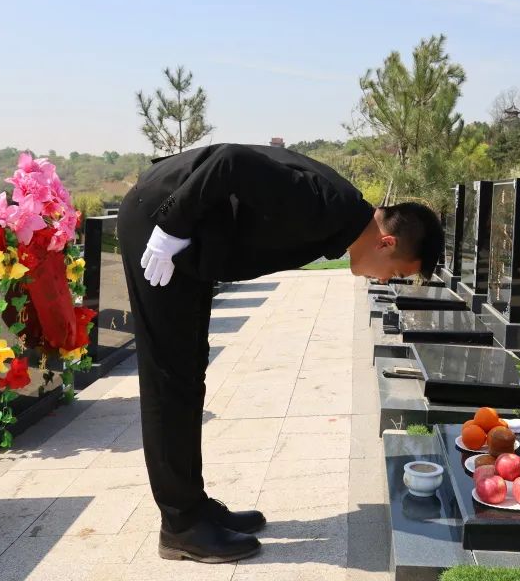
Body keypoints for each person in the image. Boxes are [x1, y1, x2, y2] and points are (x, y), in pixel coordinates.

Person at [117, 143, 443, 563]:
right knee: (168, 378)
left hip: (186, 242)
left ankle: (192, 505)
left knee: (187, 372)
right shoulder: (325, 206)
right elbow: (230, 161)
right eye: (396, 273)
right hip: (161, 228)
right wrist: (169, 228)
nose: (385, 280)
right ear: (386, 242)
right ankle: (180, 525)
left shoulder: (340, 218)